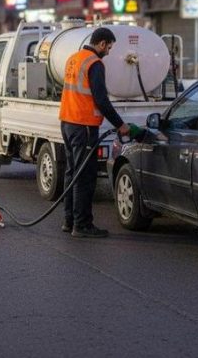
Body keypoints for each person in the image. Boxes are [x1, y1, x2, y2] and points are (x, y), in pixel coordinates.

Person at [59, 27, 130, 238]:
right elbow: (101, 100)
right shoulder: (95, 64)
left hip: (67, 122)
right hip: (84, 126)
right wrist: (120, 124)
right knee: (85, 176)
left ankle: (69, 220)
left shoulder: (74, 58)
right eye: (109, 46)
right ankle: (82, 225)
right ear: (101, 43)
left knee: (72, 172)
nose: (109, 51)